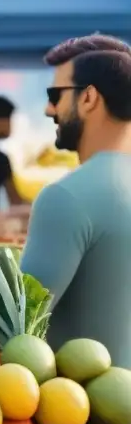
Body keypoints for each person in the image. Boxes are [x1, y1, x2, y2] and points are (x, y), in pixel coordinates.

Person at [21, 34, 131, 366]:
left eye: (56, 95)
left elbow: (16, 320)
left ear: (88, 98)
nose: (48, 108)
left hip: (87, 411)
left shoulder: (66, 197)